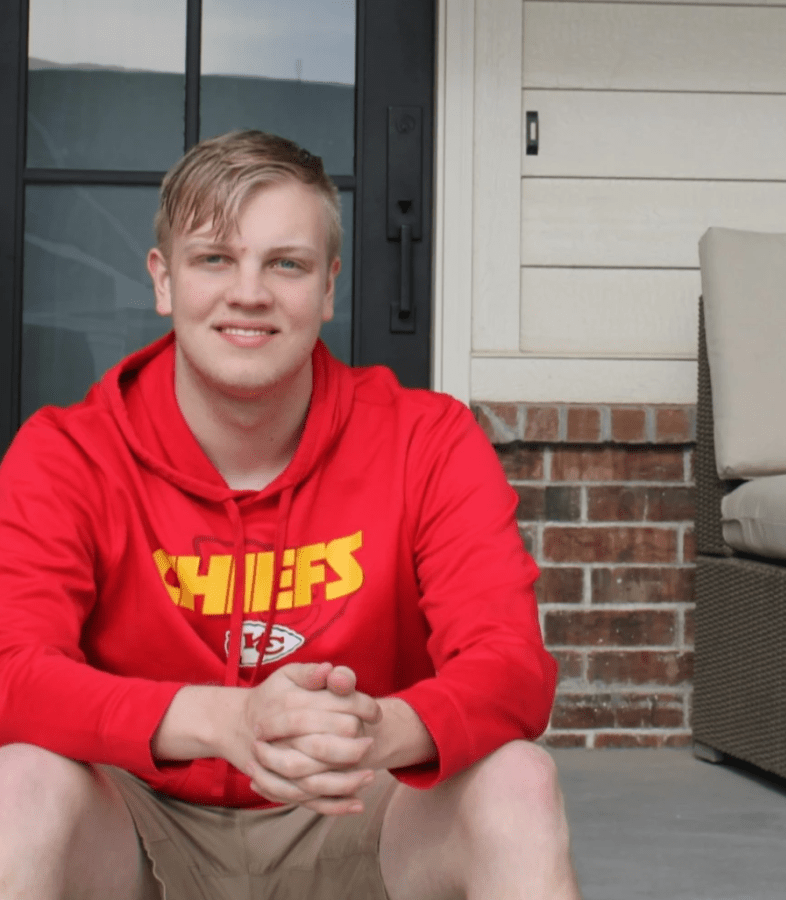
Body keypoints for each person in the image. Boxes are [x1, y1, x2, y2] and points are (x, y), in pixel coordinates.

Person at [0, 130, 581, 900]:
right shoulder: (68, 452)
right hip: (141, 824)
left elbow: (511, 667)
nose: (250, 293)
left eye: (286, 263)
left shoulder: (427, 439)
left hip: (355, 806)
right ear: (163, 280)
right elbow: (13, 674)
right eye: (214, 259)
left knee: (519, 783)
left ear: (329, 286)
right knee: (21, 785)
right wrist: (225, 722)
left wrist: (373, 731)